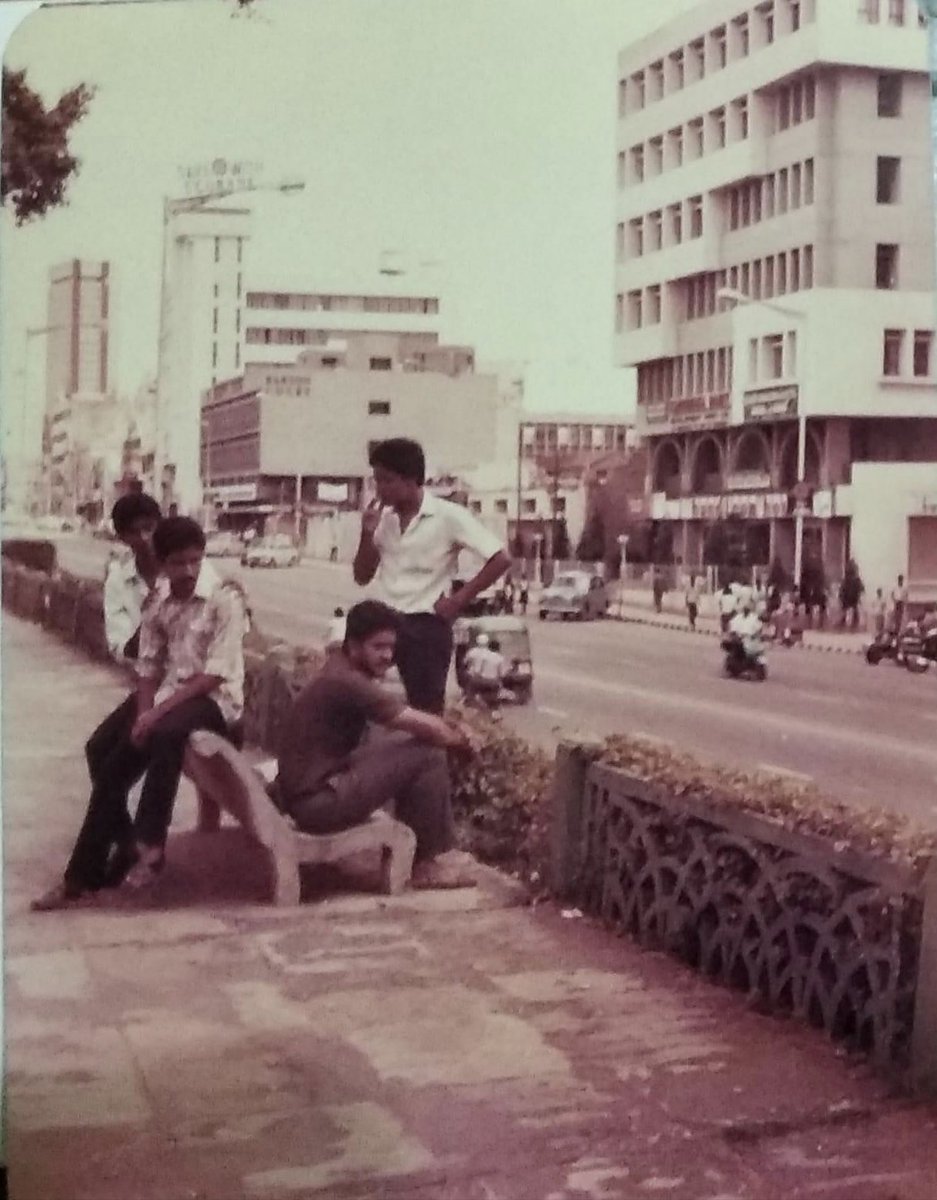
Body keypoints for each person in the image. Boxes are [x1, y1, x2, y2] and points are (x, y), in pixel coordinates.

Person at [32, 517, 247, 910]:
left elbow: (215, 674)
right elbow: (149, 663)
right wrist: (143, 712)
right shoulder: (160, 599)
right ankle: (82, 877)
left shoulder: (224, 598)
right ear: (162, 564)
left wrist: (155, 714)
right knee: (107, 759)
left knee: (164, 732)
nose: (187, 571)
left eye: (195, 561)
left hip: (215, 700)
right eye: (178, 563)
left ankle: (151, 843)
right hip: (170, 692)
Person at [274, 600, 476, 889]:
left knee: (412, 743)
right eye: (378, 647)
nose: (387, 656)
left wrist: (445, 729)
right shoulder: (348, 682)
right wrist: (462, 739)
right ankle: (429, 862)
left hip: (309, 795)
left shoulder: (337, 668)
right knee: (429, 753)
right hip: (318, 806)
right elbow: (420, 723)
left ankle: (430, 852)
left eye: (391, 647)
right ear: (353, 646)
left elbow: (413, 724)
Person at [352, 438, 511, 714]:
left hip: (425, 625)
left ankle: (428, 757)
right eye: (376, 481)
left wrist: (458, 600)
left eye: (387, 481)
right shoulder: (382, 520)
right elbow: (362, 576)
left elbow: (501, 558)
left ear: (411, 479)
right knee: (358, 698)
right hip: (385, 620)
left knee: (425, 709)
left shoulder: (448, 516)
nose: (380, 490)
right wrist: (367, 534)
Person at [85, 493, 164, 787]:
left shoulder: (182, 566)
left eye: (150, 528)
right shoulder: (119, 579)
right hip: (150, 687)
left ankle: (131, 832)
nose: (145, 538)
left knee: (119, 768)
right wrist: (151, 617)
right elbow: (120, 649)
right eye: (135, 532)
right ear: (122, 537)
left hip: (184, 686)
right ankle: (125, 834)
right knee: (97, 752)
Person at [462, 633, 508, 716]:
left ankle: (467, 704)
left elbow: (477, 671)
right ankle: (495, 714)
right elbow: (502, 675)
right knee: (495, 702)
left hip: (480, 681)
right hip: (493, 683)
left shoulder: (481, 654)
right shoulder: (500, 658)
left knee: (470, 692)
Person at [839, 561, 864, 631]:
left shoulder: (849, 580)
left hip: (851, 602)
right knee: (850, 617)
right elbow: (861, 590)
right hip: (850, 602)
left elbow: (861, 590)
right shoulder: (850, 581)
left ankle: (849, 629)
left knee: (850, 617)